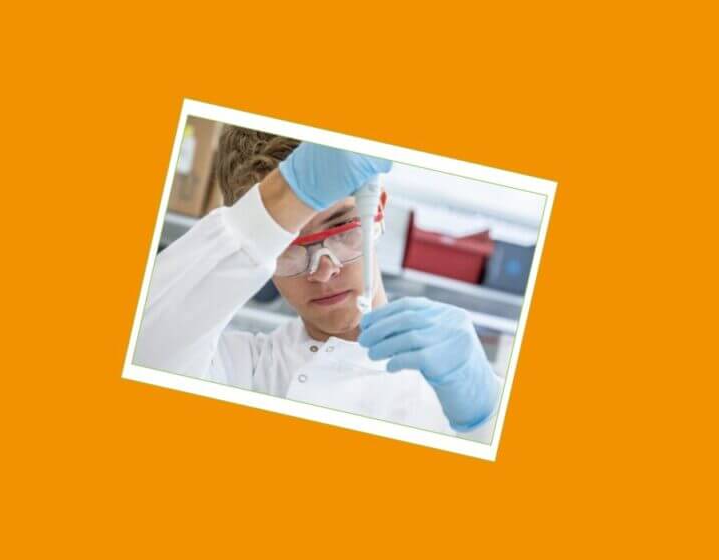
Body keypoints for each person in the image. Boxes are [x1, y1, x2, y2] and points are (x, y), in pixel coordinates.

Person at [133, 126, 502, 438]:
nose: (324, 271)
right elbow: (140, 348)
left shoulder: (459, 383)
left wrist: (486, 419)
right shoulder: (241, 367)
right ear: (257, 250)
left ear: (378, 212)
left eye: (341, 228)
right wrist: (283, 197)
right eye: (287, 246)